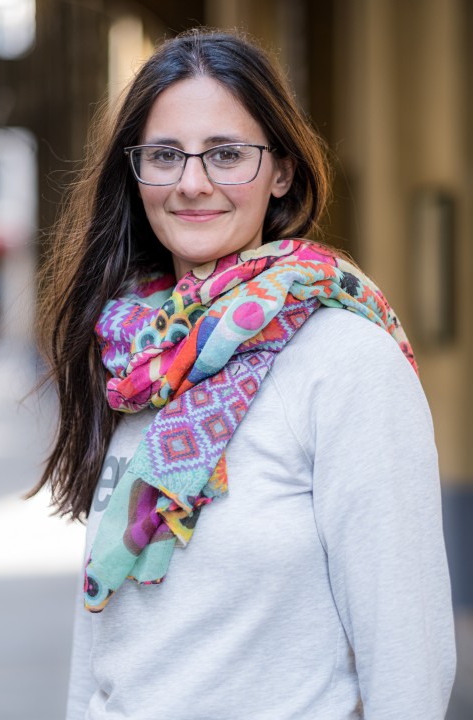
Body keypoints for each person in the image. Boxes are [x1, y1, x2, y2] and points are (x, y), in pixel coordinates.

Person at [34, 28, 455, 720]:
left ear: (281, 172)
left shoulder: (345, 362)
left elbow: (409, 652)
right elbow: (104, 624)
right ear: (135, 173)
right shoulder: (136, 361)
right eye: (165, 155)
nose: (192, 182)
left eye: (227, 154)